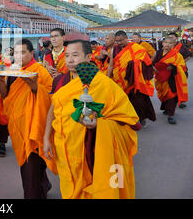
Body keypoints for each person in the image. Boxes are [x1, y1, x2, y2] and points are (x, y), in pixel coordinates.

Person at [43, 40, 141, 199]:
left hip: (92, 150)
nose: (69, 60)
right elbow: (52, 110)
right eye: (67, 55)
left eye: (75, 55)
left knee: (97, 189)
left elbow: (128, 120)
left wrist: (99, 125)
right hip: (65, 148)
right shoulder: (60, 81)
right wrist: (46, 137)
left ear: (88, 57)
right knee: (70, 187)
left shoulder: (104, 84)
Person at [0, 39, 54, 199]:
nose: (19, 56)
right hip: (17, 125)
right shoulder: (11, 72)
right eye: (16, 53)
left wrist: (34, 86)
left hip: (34, 125)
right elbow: (4, 96)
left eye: (23, 52)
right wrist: (1, 81)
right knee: (30, 166)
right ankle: (44, 184)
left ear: (31, 53)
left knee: (31, 167)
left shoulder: (39, 71)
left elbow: (51, 98)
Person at [108, 30, 156, 127]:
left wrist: (135, 65)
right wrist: (108, 78)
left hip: (135, 80)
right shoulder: (114, 49)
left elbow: (147, 63)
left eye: (121, 40)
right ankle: (127, 119)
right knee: (123, 102)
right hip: (119, 81)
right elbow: (111, 65)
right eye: (117, 41)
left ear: (126, 38)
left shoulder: (137, 48)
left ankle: (141, 118)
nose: (119, 43)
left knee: (138, 101)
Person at [153, 37, 188, 125]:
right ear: (162, 43)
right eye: (166, 42)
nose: (167, 45)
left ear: (173, 45)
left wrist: (173, 67)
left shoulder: (177, 55)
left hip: (172, 79)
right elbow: (152, 63)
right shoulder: (157, 53)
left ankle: (171, 115)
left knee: (172, 95)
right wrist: (155, 69)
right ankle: (166, 109)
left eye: (170, 43)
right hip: (160, 78)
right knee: (163, 94)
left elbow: (182, 67)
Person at [167, 32, 190, 109]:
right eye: (169, 37)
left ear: (176, 38)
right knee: (171, 87)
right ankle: (171, 103)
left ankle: (181, 101)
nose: (170, 38)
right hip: (169, 71)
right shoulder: (166, 46)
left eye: (172, 37)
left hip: (181, 70)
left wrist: (180, 62)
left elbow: (188, 56)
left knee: (180, 87)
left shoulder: (181, 47)